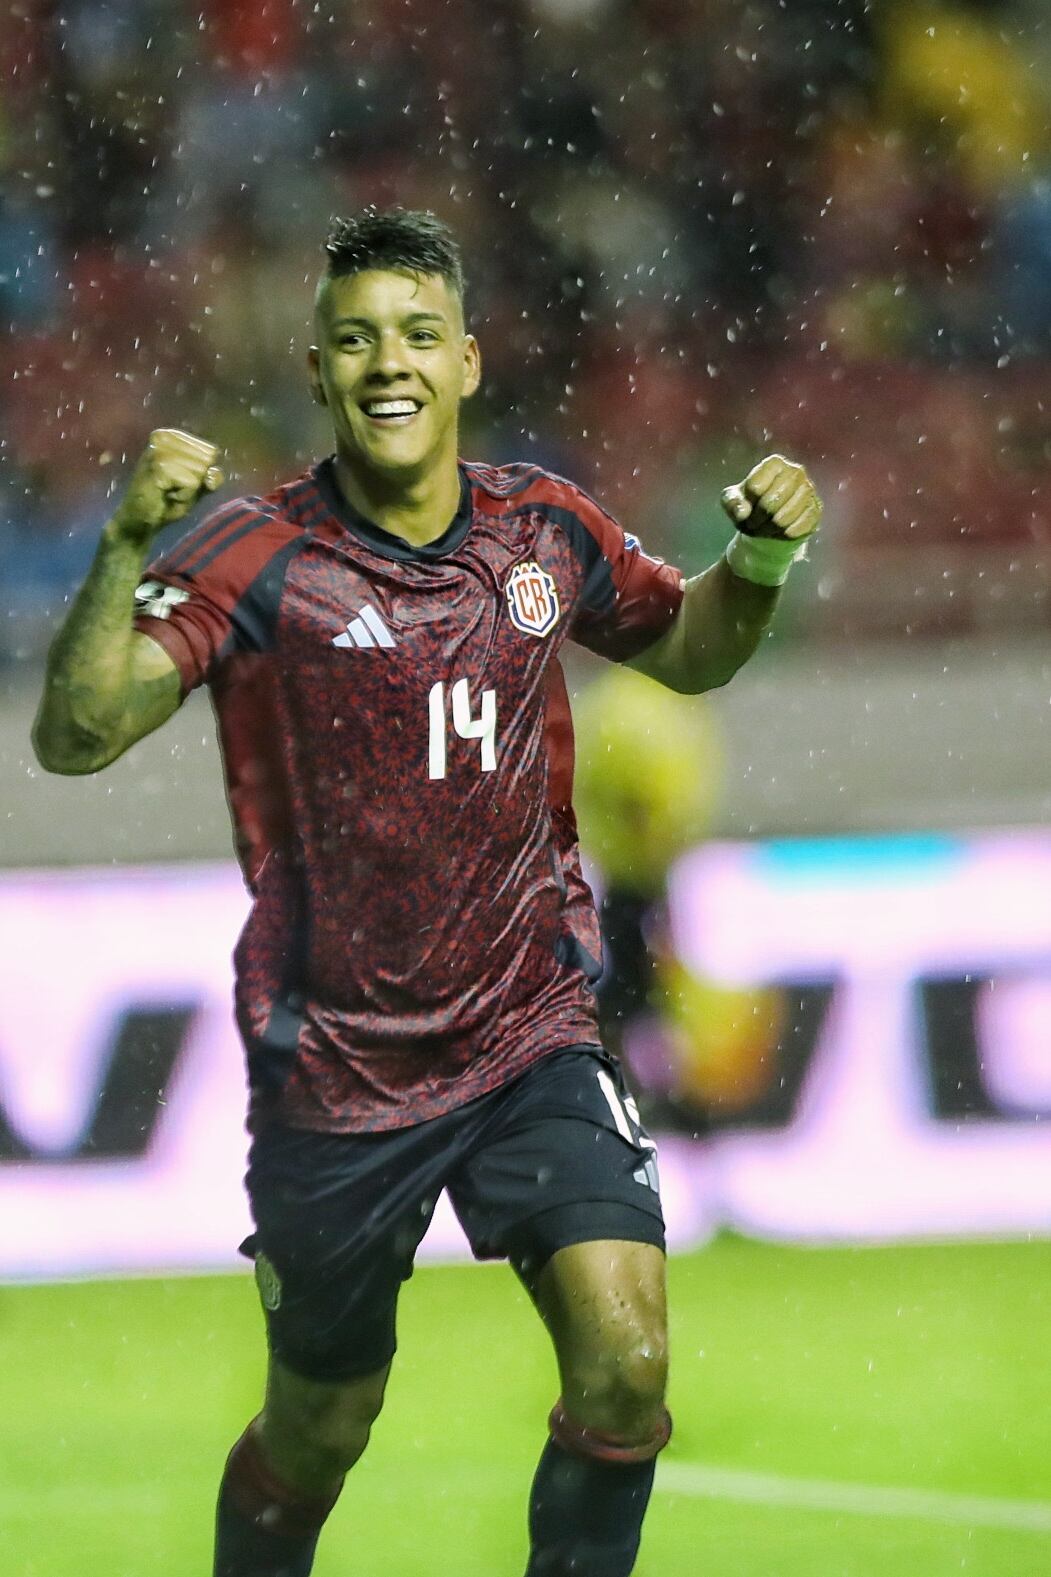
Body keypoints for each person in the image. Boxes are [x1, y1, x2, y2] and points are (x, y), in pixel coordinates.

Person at [32, 207, 822, 1577]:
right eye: (354, 339)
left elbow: (688, 648)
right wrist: (119, 550)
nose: (385, 362)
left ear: (465, 360)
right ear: (319, 369)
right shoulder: (250, 552)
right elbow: (77, 733)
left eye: (414, 334)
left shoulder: (543, 530)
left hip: (533, 1031)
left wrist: (753, 562)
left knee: (628, 1360)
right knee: (321, 1423)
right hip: (336, 1069)